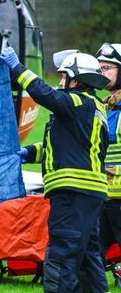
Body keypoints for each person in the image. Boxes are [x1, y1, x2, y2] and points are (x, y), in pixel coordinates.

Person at [10, 46, 110, 293]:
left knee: (61, 254)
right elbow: (68, 145)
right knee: (87, 256)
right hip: (90, 195)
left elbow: (45, 95)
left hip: (72, 194)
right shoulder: (94, 107)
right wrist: (32, 152)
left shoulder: (75, 102)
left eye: (64, 77)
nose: (61, 82)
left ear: (76, 80)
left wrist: (18, 69)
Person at [96, 43, 121, 260]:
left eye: (107, 68)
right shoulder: (105, 105)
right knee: (93, 250)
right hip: (105, 194)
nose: (102, 73)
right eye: (100, 68)